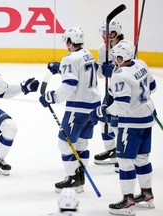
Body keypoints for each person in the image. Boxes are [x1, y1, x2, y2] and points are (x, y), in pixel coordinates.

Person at [90, 40, 156, 216]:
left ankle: (128, 200)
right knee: (142, 158)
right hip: (146, 119)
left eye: (115, 57)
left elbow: (121, 105)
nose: (113, 60)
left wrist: (101, 111)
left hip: (130, 123)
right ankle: (147, 195)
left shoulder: (120, 76)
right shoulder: (141, 64)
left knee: (126, 161)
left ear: (120, 57)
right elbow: (153, 87)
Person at [39, 27, 101, 192]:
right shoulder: (87, 53)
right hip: (93, 106)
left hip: (78, 108)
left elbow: (69, 85)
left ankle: (73, 178)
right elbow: (81, 71)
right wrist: (61, 68)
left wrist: (50, 97)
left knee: (64, 143)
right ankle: (80, 180)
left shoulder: (70, 59)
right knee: (81, 143)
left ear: (68, 41)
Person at [93, 19, 125, 166]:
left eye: (108, 33)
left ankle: (123, 154)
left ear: (116, 32)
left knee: (118, 123)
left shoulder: (126, 47)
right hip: (112, 90)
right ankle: (111, 150)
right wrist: (102, 69)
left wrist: (113, 70)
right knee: (103, 118)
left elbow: (128, 71)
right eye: (103, 33)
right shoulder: (102, 48)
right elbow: (100, 74)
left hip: (124, 91)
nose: (104, 36)